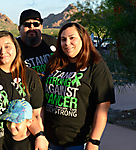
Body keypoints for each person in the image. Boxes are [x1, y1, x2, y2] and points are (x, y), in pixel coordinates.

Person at [42, 22, 115, 150]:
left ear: (83, 39)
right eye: (63, 39)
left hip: (78, 142)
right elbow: (43, 101)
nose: (67, 43)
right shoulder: (54, 64)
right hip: (51, 141)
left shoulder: (96, 66)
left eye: (72, 38)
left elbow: (103, 106)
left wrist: (94, 141)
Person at [0, 30, 48, 149]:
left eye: (7, 46)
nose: (3, 52)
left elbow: (36, 113)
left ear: (16, 48)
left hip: (23, 142)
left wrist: (40, 136)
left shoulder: (29, 75)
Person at [17, 9, 57, 76]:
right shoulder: (14, 48)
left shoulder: (53, 42)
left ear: (41, 27)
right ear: (19, 28)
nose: (32, 27)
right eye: (27, 24)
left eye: (36, 24)